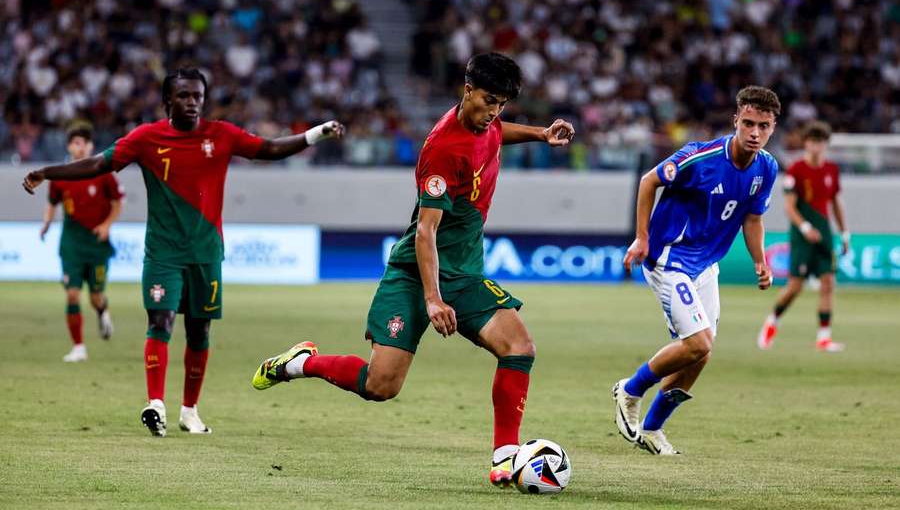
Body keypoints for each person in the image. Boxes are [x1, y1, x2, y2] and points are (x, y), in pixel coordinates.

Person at [250, 52, 575, 486]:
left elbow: (496, 133)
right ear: (467, 90)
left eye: (502, 104)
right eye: (489, 101)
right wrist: (433, 298)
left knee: (519, 348)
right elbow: (425, 232)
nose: (494, 112)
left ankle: (505, 457)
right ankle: (301, 363)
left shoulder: (486, 121)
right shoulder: (443, 149)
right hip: (415, 272)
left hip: (464, 272)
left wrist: (539, 133)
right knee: (380, 385)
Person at [23, 67, 345, 437]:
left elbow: (268, 149)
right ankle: (155, 403)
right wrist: (49, 172)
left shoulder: (220, 135)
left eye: (198, 96)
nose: (192, 102)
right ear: (167, 101)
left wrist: (316, 133)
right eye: (184, 96)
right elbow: (99, 163)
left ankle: (189, 412)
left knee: (199, 331)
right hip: (162, 253)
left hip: (206, 253)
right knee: (160, 322)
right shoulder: (146, 139)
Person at [615, 86, 780, 455]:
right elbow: (648, 181)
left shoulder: (766, 167)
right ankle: (629, 390)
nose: (755, 133)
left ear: (773, 128)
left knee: (702, 354)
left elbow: (753, 219)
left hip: (706, 265)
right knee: (699, 341)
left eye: (763, 126)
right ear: (736, 120)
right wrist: (641, 238)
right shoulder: (700, 158)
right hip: (669, 259)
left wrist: (759, 260)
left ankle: (653, 428)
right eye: (749, 123)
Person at [757, 121, 849, 352]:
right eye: (811, 141)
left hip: (824, 232)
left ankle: (824, 337)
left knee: (828, 282)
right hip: (801, 235)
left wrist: (844, 233)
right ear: (806, 143)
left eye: (820, 142)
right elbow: (789, 207)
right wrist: (806, 227)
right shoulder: (796, 169)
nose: (815, 146)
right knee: (795, 286)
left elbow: (836, 203)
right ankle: (772, 322)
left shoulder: (831, 170)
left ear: (825, 145)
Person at [40, 123, 123, 362]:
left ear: (90, 146)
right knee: (73, 294)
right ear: (69, 146)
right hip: (72, 244)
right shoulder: (60, 177)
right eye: (75, 143)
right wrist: (46, 223)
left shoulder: (104, 174)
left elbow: (118, 203)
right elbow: (52, 203)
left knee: (96, 296)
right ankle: (79, 347)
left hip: (97, 244)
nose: (79, 147)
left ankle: (102, 311)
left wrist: (107, 225)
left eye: (83, 143)